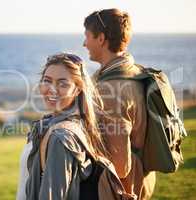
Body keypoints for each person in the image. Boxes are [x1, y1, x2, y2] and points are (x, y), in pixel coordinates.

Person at [17, 53, 134, 200]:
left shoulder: (61, 138)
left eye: (62, 83)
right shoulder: (74, 122)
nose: (52, 89)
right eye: (47, 81)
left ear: (77, 89)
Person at [83, 8, 156, 200]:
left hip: (121, 189)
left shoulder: (110, 91)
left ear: (101, 39)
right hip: (143, 179)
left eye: (87, 36)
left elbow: (121, 165)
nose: (84, 43)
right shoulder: (134, 71)